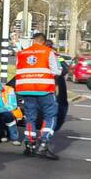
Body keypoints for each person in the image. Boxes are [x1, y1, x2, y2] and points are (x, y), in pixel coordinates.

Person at [14, 32, 63, 160]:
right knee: (50, 115)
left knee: (30, 117)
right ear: (43, 41)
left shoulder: (22, 53)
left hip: (26, 89)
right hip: (44, 88)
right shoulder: (48, 51)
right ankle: (43, 144)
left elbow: (17, 68)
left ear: (33, 41)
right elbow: (57, 70)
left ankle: (29, 144)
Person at [45, 40, 69, 131]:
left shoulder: (48, 55)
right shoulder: (57, 55)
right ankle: (56, 123)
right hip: (57, 82)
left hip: (50, 82)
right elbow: (65, 68)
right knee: (60, 102)